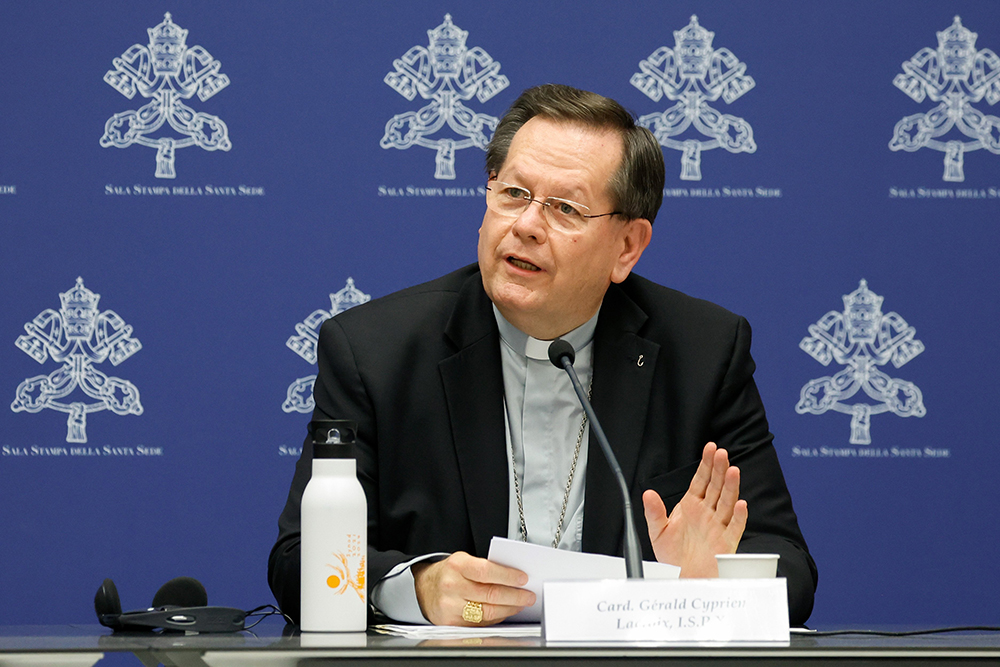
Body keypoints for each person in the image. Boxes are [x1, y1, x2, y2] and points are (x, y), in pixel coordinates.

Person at [269, 84, 817, 627]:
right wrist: (416, 585)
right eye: (513, 194)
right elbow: (299, 563)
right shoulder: (374, 350)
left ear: (627, 246)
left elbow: (792, 570)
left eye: (565, 208)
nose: (526, 225)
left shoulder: (701, 352)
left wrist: (708, 585)